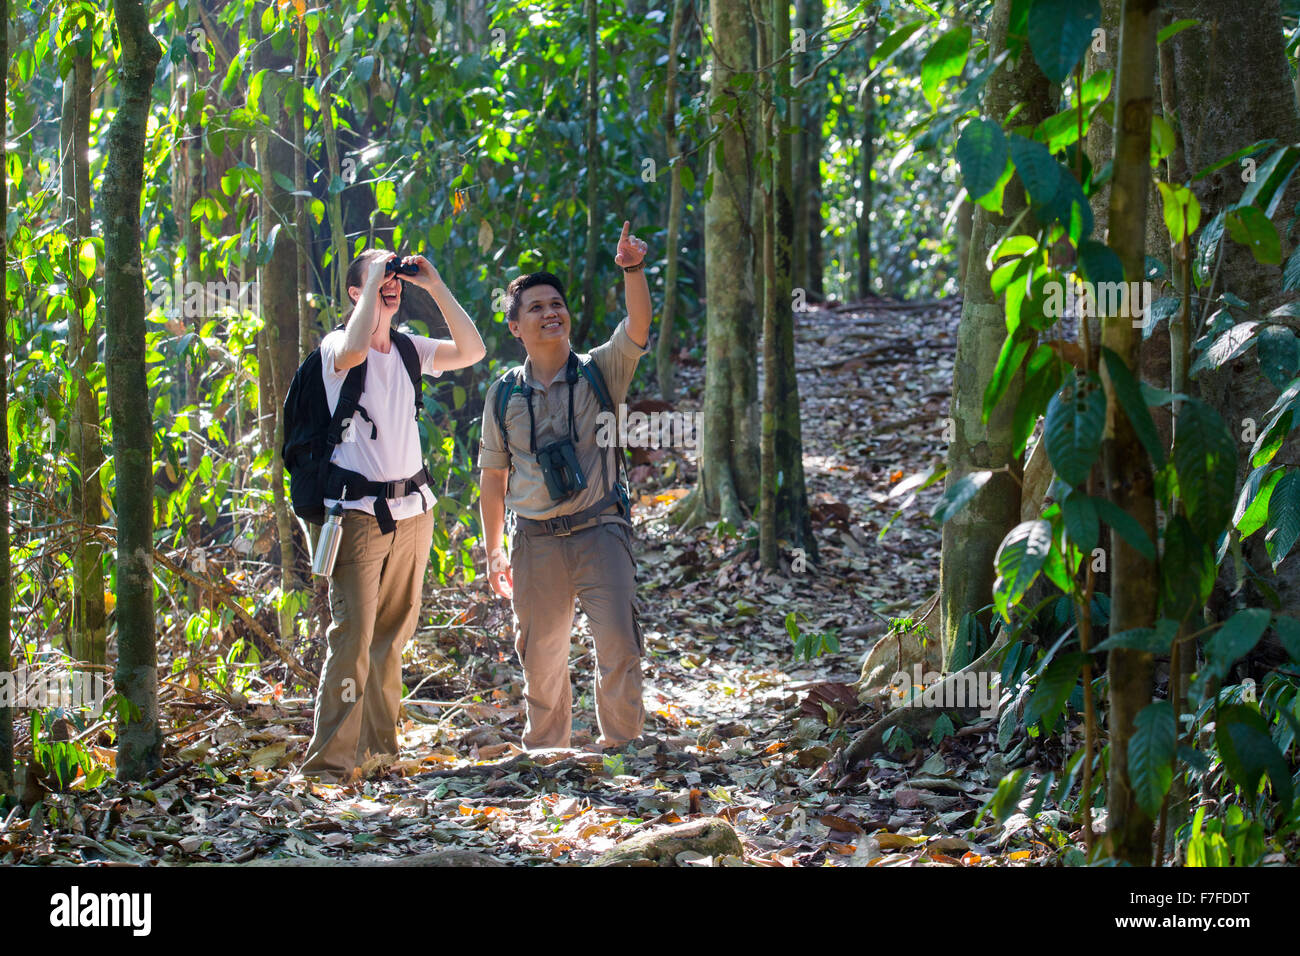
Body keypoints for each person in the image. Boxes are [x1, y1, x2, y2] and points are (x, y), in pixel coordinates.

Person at [300, 249, 487, 781]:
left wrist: (433, 284)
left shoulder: (409, 349)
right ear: (356, 294)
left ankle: (379, 755)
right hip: (356, 514)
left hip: (413, 513)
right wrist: (376, 279)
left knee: (391, 638)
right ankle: (329, 766)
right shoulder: (338, 346)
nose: (392, 283)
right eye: (379, 278)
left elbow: (471, 350)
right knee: (352, 638)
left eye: (395, 277)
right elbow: (358, 344)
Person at [478, 221, 653, 751]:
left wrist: (632, 269)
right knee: (541, 656)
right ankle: (549, 753)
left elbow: (639, 324)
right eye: (535, 307)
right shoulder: (504, 394)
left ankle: (623, 749)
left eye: (557, 304)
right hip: (534, 540)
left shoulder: (601, 370)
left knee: (620, 644)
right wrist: (492, 552)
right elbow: (493, 476)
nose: (551, 312)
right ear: (514, 326)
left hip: (600, 528)